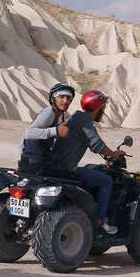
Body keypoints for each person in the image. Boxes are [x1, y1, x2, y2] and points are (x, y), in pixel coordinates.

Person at [50, 89, 126, 235]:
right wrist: (114, 154)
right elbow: (97, 145)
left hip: (58, 166)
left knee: (91, 170)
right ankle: (100, 222)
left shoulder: (78, 117)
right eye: (103, 107)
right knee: (106, 181)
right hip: (66, 169)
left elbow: (94, 141)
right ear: (97, 107)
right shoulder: (84, 120)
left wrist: (108, 153)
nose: (104, 111)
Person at [17, 83, 74, 176]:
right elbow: (28, 133)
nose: (65, 101)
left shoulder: (60, 115)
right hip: (38, 164)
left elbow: (24, 135)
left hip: (33, 162)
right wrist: (55, 131)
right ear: (53, 99)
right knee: (78, 180)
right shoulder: (49, 113)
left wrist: (22, 161)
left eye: (68, 98)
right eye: (61, 97)